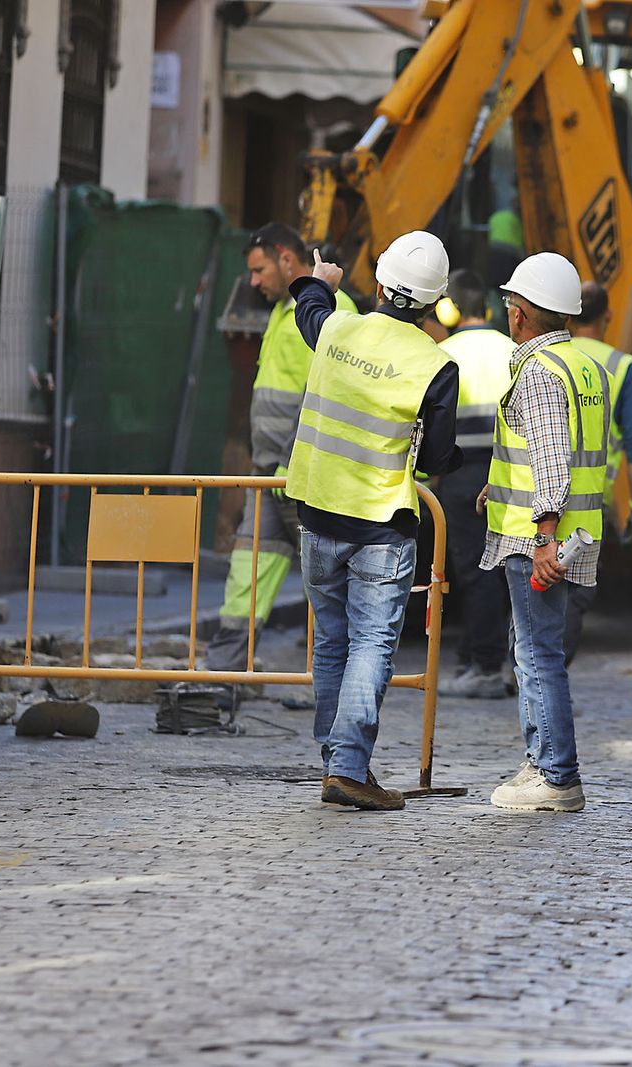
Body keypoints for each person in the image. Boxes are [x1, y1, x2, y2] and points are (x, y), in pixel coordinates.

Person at [284, 232, 462, 811]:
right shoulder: (436, 365)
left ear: (381, 284)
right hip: (381, 524)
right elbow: (436, 458)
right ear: (434, 302)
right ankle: (347, 767)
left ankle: (336, 762)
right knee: (371, 644)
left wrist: (321, 281)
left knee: (332, 640)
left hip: (316, 512)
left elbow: (309, 310)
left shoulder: (337, 329)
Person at [477, 252, 609, 813]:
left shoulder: (539, 372)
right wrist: (495, 487)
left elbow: (552, 462)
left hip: (539, 540)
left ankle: (555, 774)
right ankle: (542, 764)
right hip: (575, 530)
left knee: (536, 655)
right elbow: (556, 452)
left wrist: (544, 540)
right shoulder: (586, 366)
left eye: (511, 303)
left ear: (521, 313)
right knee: (534, 649)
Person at [207, 224, 357, 682]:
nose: (254, 282)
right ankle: (222, 681)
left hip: (304, 476)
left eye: (259, 270)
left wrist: (290, 461)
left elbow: (324, 395)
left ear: (286, 259)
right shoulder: (282, 310)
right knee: (247, 574)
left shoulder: (332, 309)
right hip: (273, 475)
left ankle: (341, 690)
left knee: (330, 586)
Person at [435, 270, 516, 699]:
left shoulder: (443, 354)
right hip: (509, 474)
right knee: (506, 569)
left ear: (449, 309)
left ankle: (485, 666)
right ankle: (487, 658)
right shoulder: (511, 350)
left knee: (475, 571)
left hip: (462, 474)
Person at [562, 281, 632, 663]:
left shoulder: (549, 356)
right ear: (609, 316)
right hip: (589, 501)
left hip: (535, 491)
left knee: (531, 583)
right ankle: (548, 673)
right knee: (573, 591)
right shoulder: (620, 366)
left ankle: (525, 668)